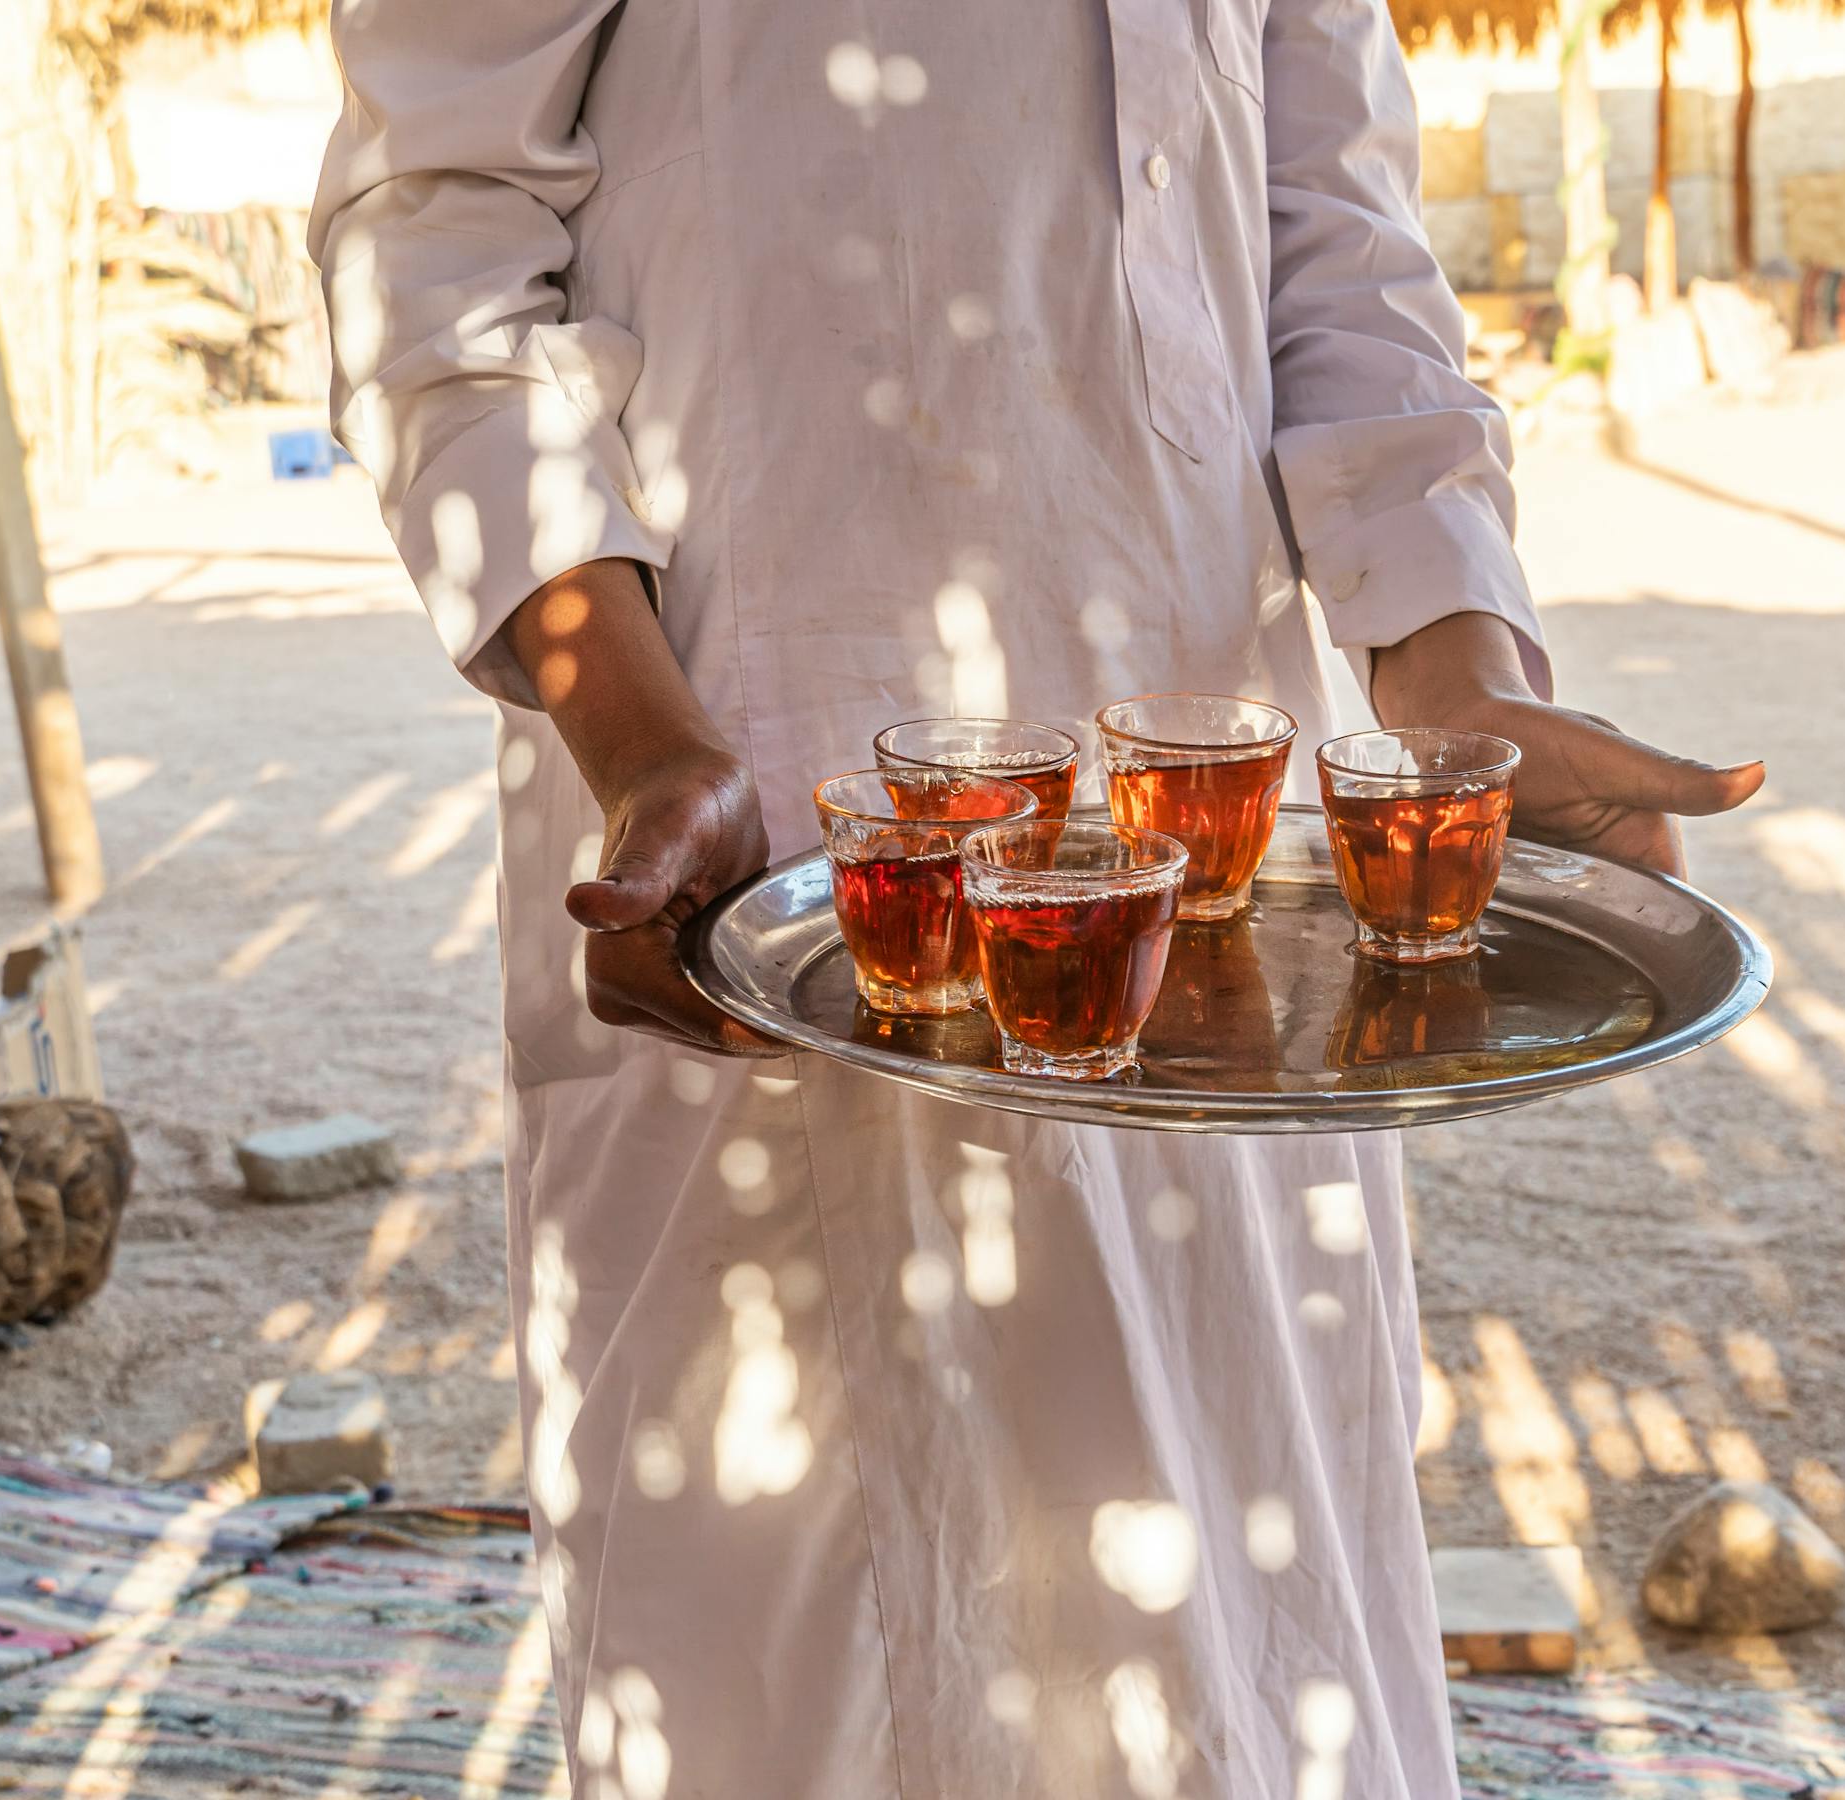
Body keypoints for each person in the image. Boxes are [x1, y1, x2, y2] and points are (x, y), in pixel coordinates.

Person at [312, 4, 1761, 1793]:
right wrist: (643, 739)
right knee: (818, 1642)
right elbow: (433, 233)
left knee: (1241, 1609)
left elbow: (1339, 245)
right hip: (771, 826)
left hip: (1215, 840)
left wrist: (1453, 688)